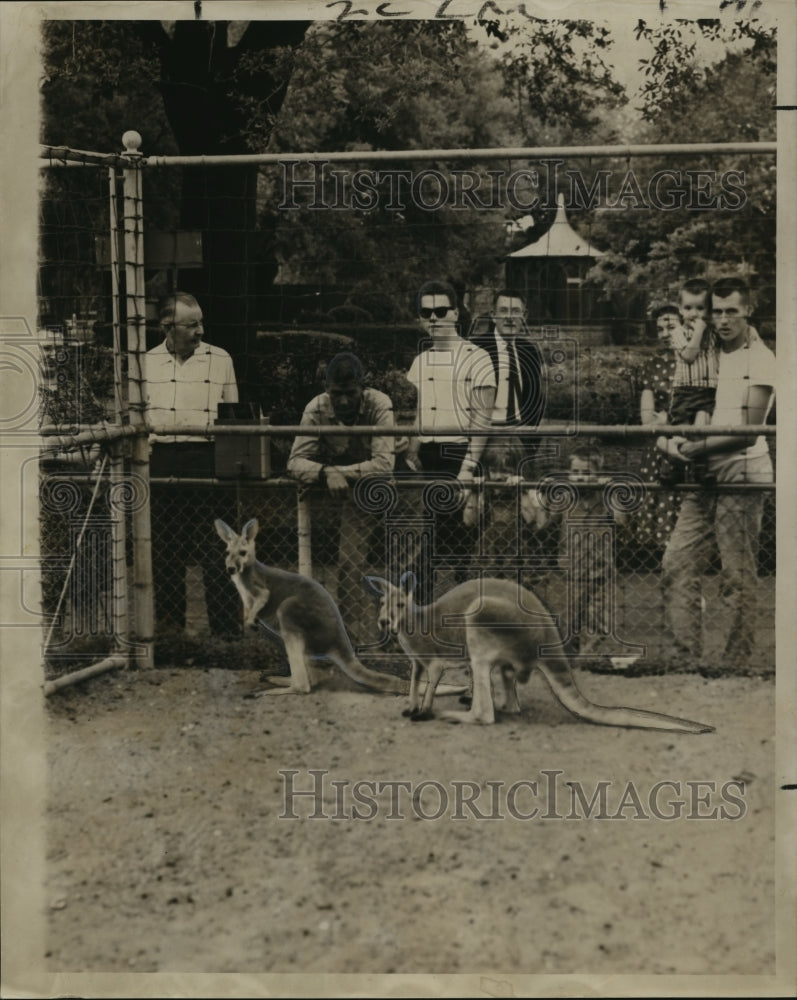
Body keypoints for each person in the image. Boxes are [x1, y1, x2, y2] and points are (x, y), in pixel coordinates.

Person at [660, 277, 775, 670]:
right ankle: (684, 659)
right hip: (701, 476)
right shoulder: (702, 350)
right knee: (677, 565)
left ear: (748, 311)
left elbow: (750, 430)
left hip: (742, 476)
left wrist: (695, 447)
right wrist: (671, 444)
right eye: (717, 311)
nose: (723, 319)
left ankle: (735, 663)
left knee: (736, 576)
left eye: (732, 311)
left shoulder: (760, 358)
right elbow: (670, 409)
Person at [145, 291, 241, 636]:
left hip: (208, 459)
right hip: (163, 460)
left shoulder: (221, 359)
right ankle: (170, 634)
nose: (200, 330)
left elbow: (232, 416)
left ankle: (227, 636)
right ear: (167, 327)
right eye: (191, 324)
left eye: (201, 322)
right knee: (165, 551)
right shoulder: (146, 363)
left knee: (219, 549)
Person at [287, 352, 395, 645]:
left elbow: (385, 464)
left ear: (363, 388)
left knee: (403, 559)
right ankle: (354, 639)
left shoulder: (379, 403)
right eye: (337, 394)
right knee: (349, 562)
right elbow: (295, 461)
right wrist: (324, 472)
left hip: (391, 488)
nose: (344, 401)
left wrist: (338, 472)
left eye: (351, 393)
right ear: (327, 390)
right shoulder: (317, 408)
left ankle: (404, 634)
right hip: (356, 493)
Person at [404, 280, 495, 601]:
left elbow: (483, 419)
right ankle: (424, 623)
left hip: (459, 457)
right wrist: (411, 451)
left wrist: (468, 468)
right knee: (421, 549)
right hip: (425, 461)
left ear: (456, 313)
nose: (433, 318)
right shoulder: (420, 362)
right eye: (426, 312)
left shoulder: (478, 358)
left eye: (440, 311)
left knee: (461, 552)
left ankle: (468, 623)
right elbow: (417, 414)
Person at [524, 444, 633, 661]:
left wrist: (611, 491)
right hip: (572, 572)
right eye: (576, 473)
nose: (580, 478)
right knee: (571, 620)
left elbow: (621, 522)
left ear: (598, 474)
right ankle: (570, 658)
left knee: (597, 620)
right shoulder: (566, 497)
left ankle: (587, 658)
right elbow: (542, 524)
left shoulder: (604, 497)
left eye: (587, 473)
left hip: (601, 572)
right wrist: (538, 497)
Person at [469, 289, 546, 465]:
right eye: (503, 311)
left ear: (524, 316)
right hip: (485, 436)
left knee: (521, 490)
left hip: (520, 439)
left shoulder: (529, 351)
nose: (510, 317)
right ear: (493, 315)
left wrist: (529, 442)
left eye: (516, 311)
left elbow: (536, 400)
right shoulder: (476, 347)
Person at [635, 304, 681, 554]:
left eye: (671, 327)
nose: (665, 333)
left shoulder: (697, 363)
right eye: (660, 328)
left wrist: (666, 417)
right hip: (657, 448)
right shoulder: (652, 366)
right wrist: (666, 419)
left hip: (687, 443)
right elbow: (646, 420)